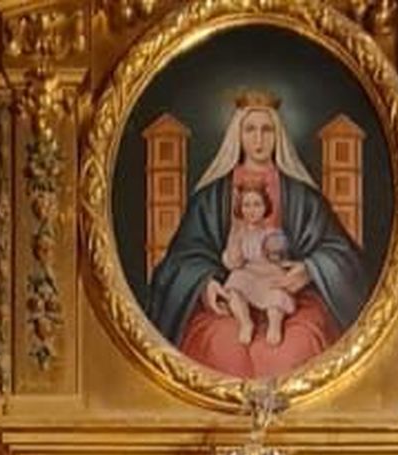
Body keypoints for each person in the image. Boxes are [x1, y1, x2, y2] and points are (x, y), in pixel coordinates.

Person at [143, 94, 369, 384]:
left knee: (294, 350)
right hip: (229, 300)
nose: (259, 139)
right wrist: (205, 285)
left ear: (278, 135)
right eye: (250, 129)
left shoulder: (302, 197)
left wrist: (310, 270)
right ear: (238, 134)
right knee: (220, 348)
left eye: (267, 129)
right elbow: (182, 258)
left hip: (290, 298)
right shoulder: (211, 198)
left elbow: (340, 252)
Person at [214, 177, 306, 344]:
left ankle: (274, 325)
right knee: (234, 287)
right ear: (240, 209)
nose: (251, 210)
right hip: (249, 275)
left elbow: (280, 253)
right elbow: (233, 262)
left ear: (265, 207)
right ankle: (245, 323)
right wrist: (235, 240)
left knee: (276, 298)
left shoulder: (271, 233)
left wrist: (275, 249)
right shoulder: (238, 234)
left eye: (257, 204)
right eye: (246, 205)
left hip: (268, 274)